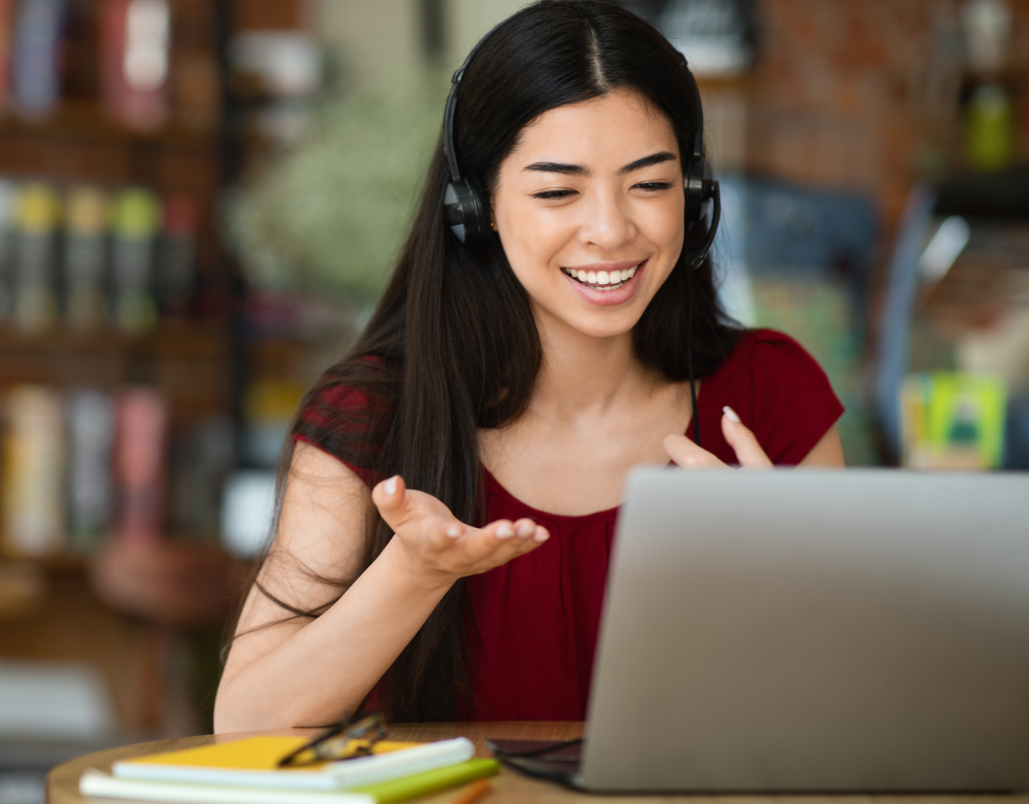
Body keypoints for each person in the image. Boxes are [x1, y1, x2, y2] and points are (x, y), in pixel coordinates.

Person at [215, 0, 845, 733]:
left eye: (650, 183)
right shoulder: (372, 413)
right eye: (557, 191)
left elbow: (854, 721)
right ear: (474, 209)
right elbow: (246, 723)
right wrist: (413, 575)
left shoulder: (771, 394)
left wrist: (784, 580)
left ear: (695, 195)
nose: (612, 231)